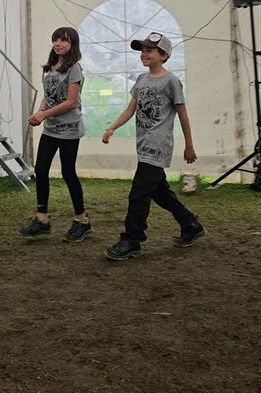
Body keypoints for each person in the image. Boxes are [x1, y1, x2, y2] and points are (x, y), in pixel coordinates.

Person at [102, 32, 206, 260]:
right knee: (160, 193)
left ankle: (132, 239)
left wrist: (189, 145)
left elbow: (183, 115)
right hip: (143, 144)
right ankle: (190, 225)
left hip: (158, 145)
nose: (143, 54)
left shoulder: (171, 82)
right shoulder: (141, 80)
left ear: (164, 55)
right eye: (142, 50)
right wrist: (112, 127)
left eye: (149, 50)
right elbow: (131, 109)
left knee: (138, 194)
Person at [19, 27, 92, 242]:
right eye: (55, 39)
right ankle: (42, 218)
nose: (58, 43)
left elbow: (70, 102)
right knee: (41, 170)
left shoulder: (74, 69)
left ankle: (82, 220)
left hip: (69, 130)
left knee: (68, 173)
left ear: (72, 44)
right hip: (51, 128)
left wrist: (44, 115)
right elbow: (47, 96)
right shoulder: (50, 68)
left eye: (63, 40)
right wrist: (41, 112)